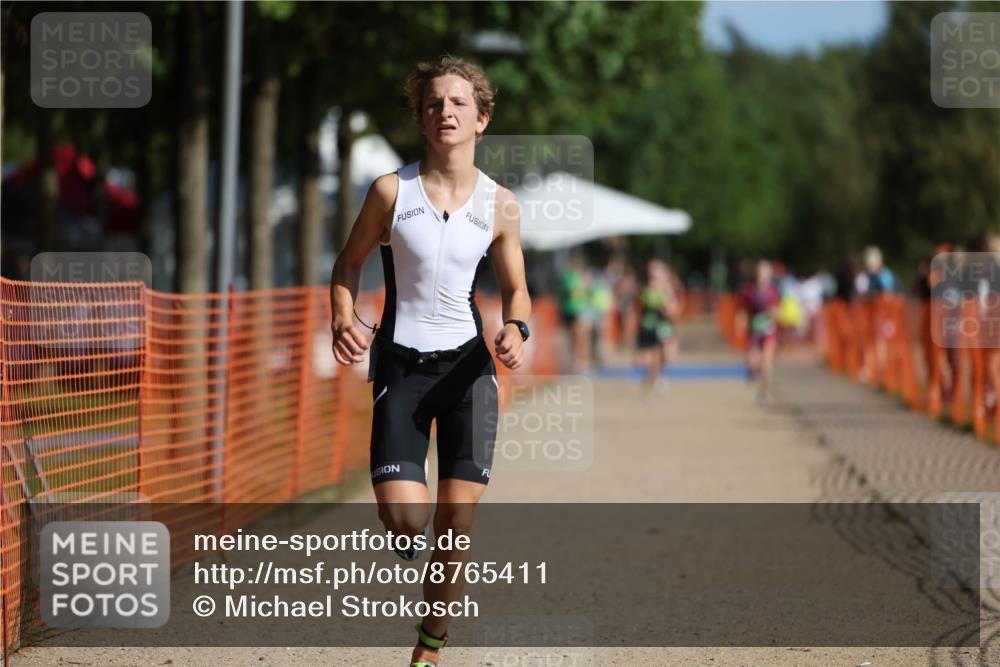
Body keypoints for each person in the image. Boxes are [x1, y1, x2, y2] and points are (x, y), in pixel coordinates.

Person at [329, 55, 530, 667]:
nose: (446, 111)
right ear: (421, 118)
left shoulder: (500, 204)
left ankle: (430, 646)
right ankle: (412, 539)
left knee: (456, 521)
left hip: (469, 372)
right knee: (406, 518)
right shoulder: (391, 191)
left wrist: (517, 327)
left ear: (481, 119)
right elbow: (347, 264)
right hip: (402, 368)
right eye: (434, 103)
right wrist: (342, 315)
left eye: (459, 103)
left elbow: (516, 289)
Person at [635, 259, 680, 393]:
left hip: (662, 325)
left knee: (665, 351)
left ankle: (657, 376)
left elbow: (672, 309)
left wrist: (667, 305)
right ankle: (652, 376)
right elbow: (642, 306)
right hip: (649, 325)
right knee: (650, 355)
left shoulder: (666, 289)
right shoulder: (647, 289)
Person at [739, 260, 780, 402]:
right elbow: (743, 309)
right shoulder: (749, 291)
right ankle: (753, 372)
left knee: (767, 363)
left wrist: (775, 314)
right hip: (755, 332)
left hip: (769, 331)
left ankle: (765, 392)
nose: (763, 277)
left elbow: (777, 311)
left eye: (766, 274)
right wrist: (741, 322)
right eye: (761, 274)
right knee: (753, 362)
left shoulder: (773, 291)